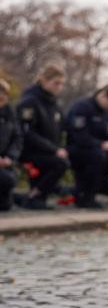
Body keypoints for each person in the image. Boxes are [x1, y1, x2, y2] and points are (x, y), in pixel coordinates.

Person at [16, 64, 70, 210]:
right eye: (56, 83)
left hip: (47, 150)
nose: (59, 87)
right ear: (44, 81)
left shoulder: (53, 103)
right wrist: (53, 149)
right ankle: (34, 196)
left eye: (61, 84)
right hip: (30, 151)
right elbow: (26, 132)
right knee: (60, 163)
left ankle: (36, 199)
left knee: (61, 161)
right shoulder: (30, 101)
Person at [64, 84, 108, 209]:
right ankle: (85, 196)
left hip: (101, 150)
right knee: (97, 157)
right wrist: (100, 144)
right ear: (102, 95)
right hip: (79, 148)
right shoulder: (82, 107)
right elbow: (79, 135)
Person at [0, 78, 21, 211]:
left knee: (5, 206)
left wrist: (10, 157)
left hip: (5, 161)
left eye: (4, 93)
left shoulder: (10, 113)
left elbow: (17, 138)